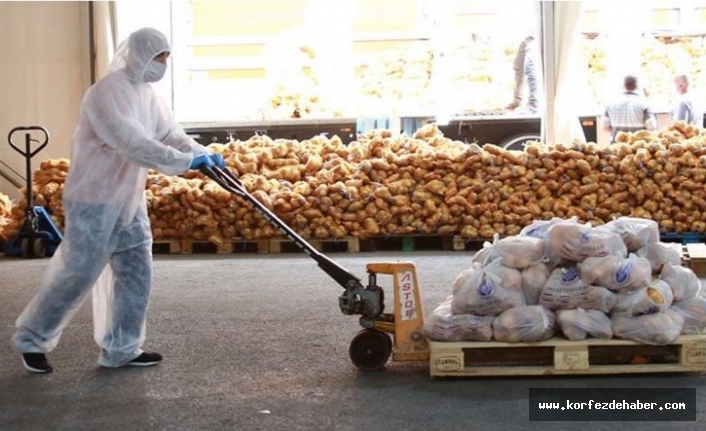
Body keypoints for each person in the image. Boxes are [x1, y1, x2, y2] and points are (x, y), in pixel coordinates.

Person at [10, 28, 225, 373]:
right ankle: (31, 340)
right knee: (78, 272)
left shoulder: (148, 94)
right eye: (159, 57)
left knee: (136, 270)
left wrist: (202, 153)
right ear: (139, 55)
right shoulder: (105, 93)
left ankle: (122, 348)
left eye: (167, 58)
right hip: (94, 198)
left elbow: (169, 133)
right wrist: (184, 163)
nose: (163, 65)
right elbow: (132, 142)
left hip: (128, 198)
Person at [601, 74, 657, 143]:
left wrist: (618, 135)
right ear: (638, 86)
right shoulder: (645, 104)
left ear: (623, 86)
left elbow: (604, 127)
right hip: (637, 149)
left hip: (616, 148)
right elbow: (651, 127)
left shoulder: (610, 104)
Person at [506, 33, 539, 113]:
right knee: (518, 65)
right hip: (528, 37)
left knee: (530, 67)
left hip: (537, 36)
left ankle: (533, 104)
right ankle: (517, 101)